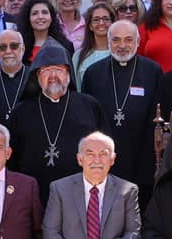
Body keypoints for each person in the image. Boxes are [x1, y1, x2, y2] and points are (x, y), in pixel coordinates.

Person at [8, 42, 103, 199]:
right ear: (37, 76)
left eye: (58, 69)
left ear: (68, 74)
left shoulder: (90, 106)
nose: (53, 76)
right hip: (33, 195)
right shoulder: (21, 111)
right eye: (46, 70)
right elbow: (12, 159)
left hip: (79, 194)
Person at [86, 19, 164, 192]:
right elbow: (89, 119)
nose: (122, 45)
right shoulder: (93, 73)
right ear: (108, 42)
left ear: (137, 42)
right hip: (105, 157)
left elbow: (158, 117)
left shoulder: (153, 71)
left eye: (128, 40)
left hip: (143, 157)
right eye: (116, 40)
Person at [16, 0, 75, 66]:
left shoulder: (65, 46)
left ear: (51, 18)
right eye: (35, 13)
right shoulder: (18, 47)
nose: (40, 17)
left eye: (44, 12)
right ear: (28, 19)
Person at [73, 0, 117, 87]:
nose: (101, 23)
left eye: (106, 19)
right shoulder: (79, 56)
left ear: (112, 23)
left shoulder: (119, 53)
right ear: (90, 26)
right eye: (96, 20)